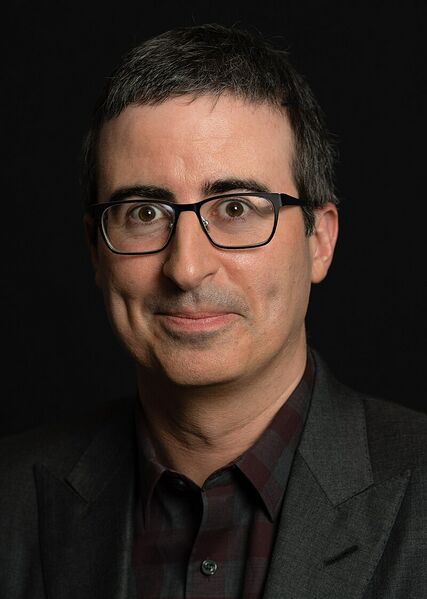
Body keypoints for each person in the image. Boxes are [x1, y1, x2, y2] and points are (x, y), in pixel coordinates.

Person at [1, 23, 426, 599]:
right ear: (96, 252)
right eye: (144, 213)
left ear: (319, 241)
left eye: (236, 208)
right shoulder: (11, 504)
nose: (186, 267)